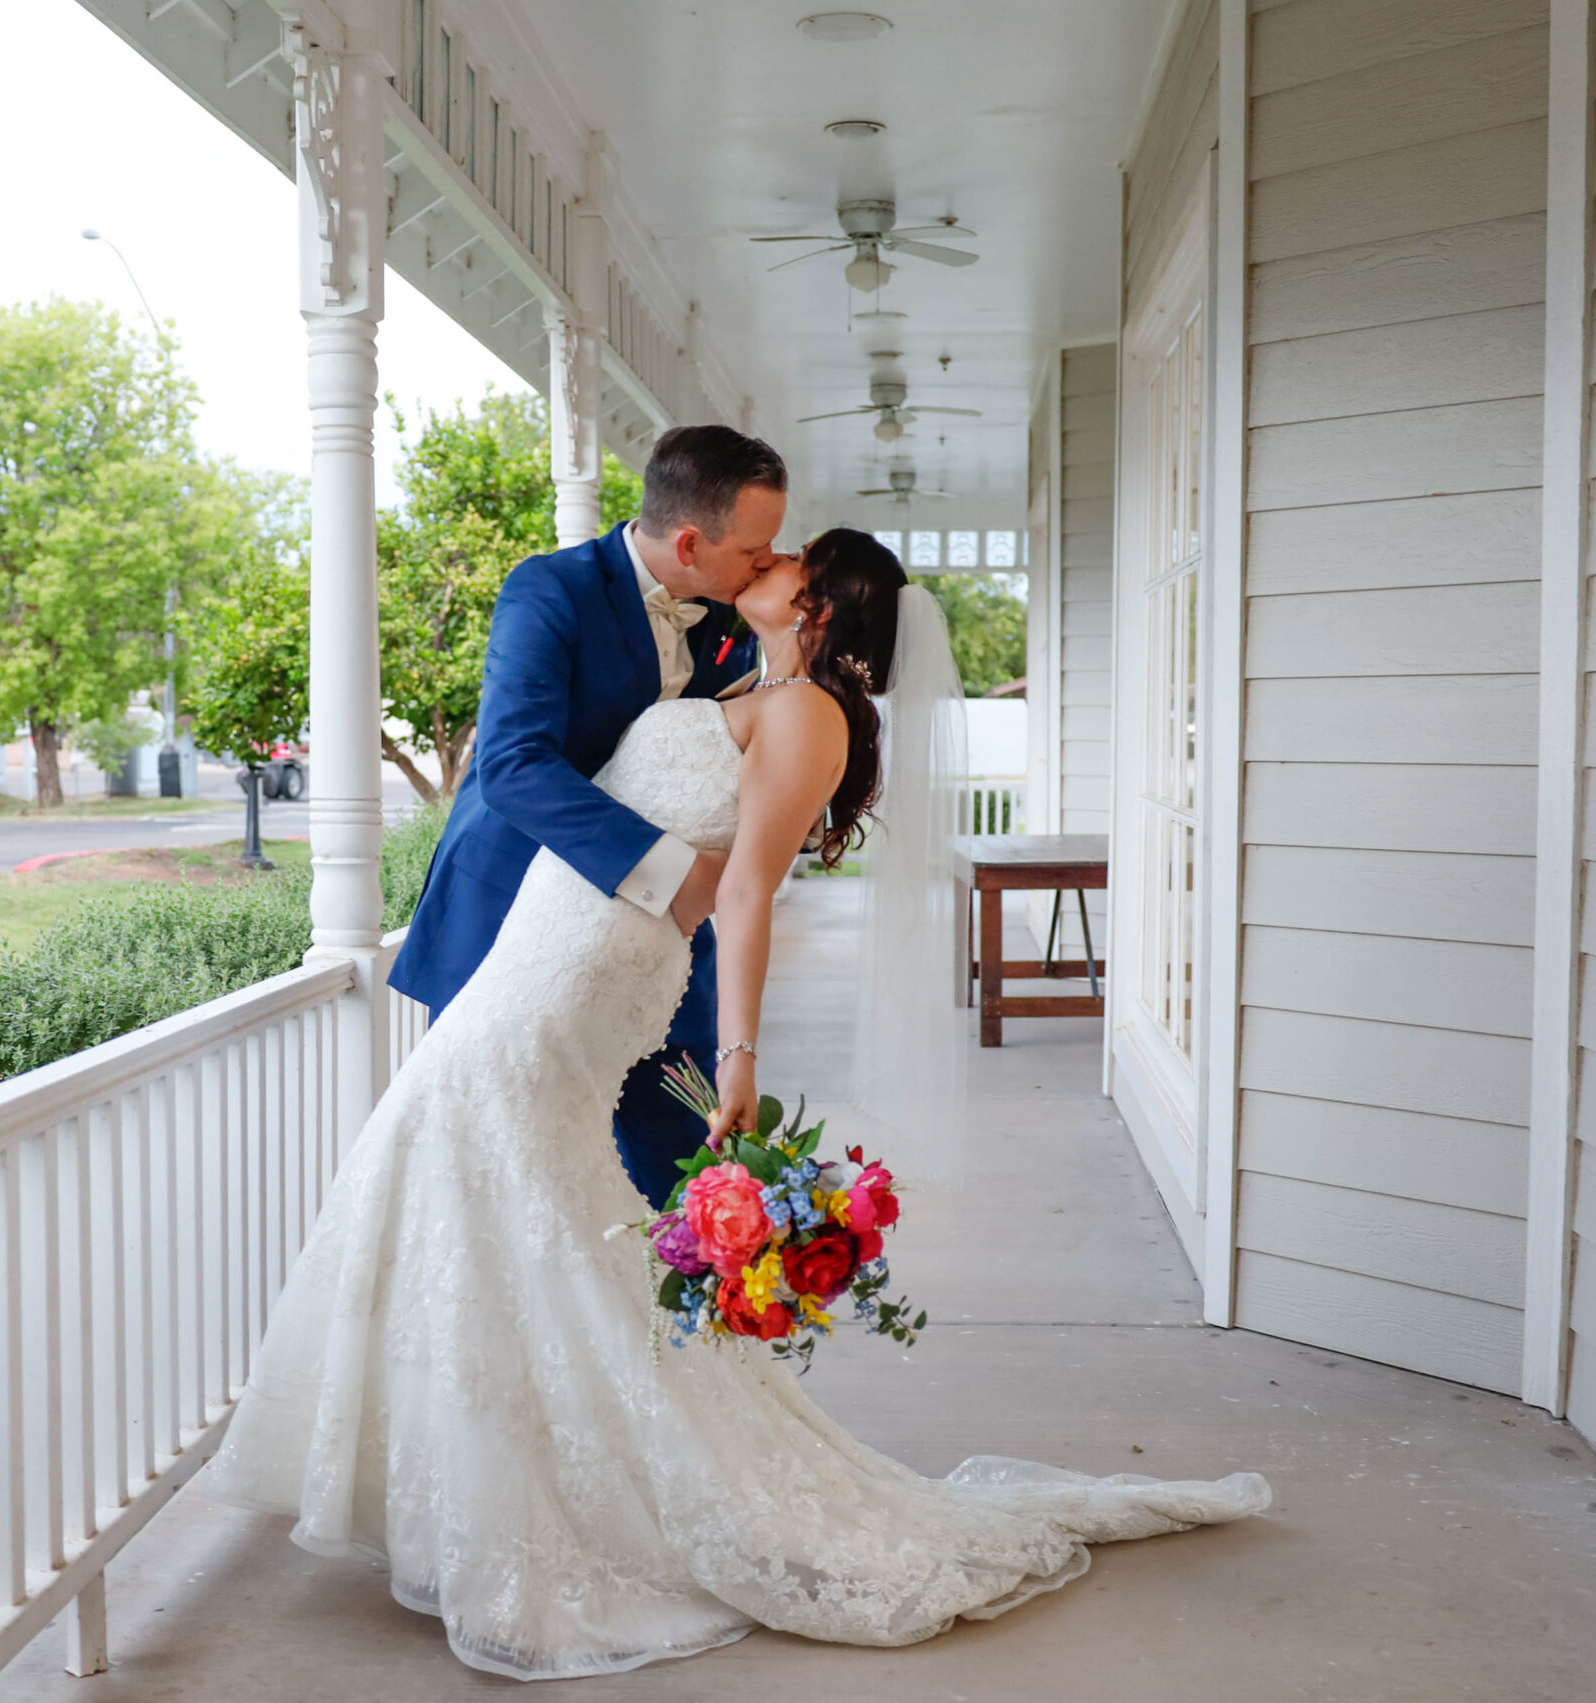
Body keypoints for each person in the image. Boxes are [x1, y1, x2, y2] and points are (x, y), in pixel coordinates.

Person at [201, 527, 1271, 1680]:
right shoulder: (741, 674)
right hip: (544, 941)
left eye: (784, 557)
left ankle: (554, 1491)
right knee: (501, 1189)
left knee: (472, 1151)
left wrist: (740, 1053)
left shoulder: (808, 709)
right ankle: (483, 1476)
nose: (761, 559)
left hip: (583, 972)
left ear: (812, 602)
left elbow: (748, 890)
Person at [386, 423, 786, 1200]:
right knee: (487, 1181)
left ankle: (708, 1320)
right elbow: (511, 768)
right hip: (516, 926)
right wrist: (680, 873)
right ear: (693, 542)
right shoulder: (549, 589)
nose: (767, 564)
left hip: (663, 952)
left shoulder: (732, 614)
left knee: (696, 1171)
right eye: (755, 551)